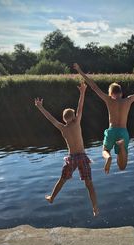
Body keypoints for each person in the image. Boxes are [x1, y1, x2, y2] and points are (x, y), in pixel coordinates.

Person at [73, 63, 134, 174]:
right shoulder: (128, 100)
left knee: (105, 150)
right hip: (123, 132)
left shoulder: (108, 100)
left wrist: (80, 70)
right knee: (122, 167)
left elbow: (93, 86)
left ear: (110, 93)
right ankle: (121, 147)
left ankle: (108, 158)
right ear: (121, 93)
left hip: (112, 130)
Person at [34, 81, 99, 216]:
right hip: (82, 156)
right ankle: (95, 207)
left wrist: (40, 107)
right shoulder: (77, 123)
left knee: (62, 179)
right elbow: (80, 106)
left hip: (72, 158)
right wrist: (82, 92)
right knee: (89, 184)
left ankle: (52, 198)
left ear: (64, 119)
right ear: (74, 116)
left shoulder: (62, 127)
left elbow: (50, 118)